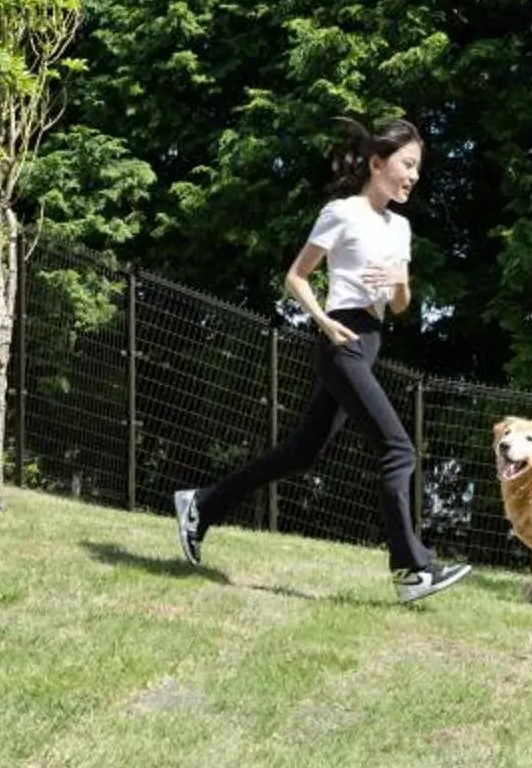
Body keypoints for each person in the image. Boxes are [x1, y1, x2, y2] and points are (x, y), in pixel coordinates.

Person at [171, 116, 472, 603]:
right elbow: (296, 276)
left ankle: (202, 505)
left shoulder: (401, 227)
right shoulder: (342, 213)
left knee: (301, 451)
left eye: (418, 168)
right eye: (407, 165)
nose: (414, 176)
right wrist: (323, 321)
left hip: (370, 341)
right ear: (377, 163)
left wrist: (399, 278)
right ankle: (412, 569)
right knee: (398, 449)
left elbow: (399, 307)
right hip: (341, 339)